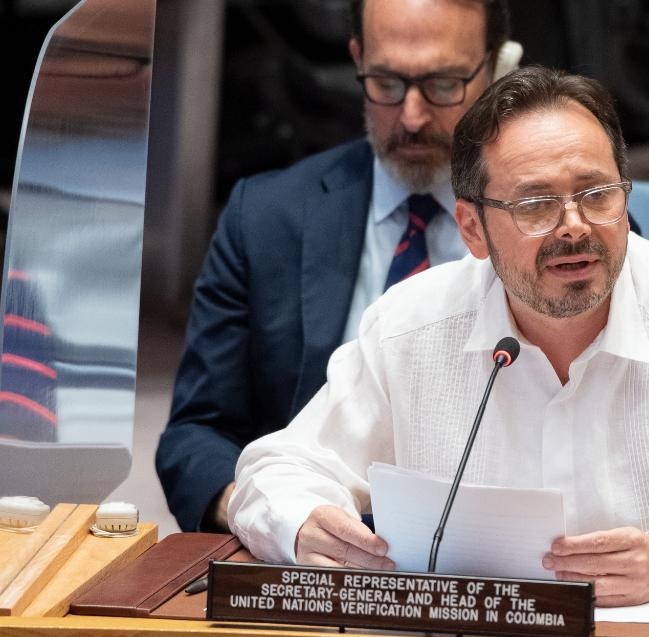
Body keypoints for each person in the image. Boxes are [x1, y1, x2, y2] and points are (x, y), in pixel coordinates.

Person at [229, 66, 649, 607]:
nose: (574, 227)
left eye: (597, 194)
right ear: (472, 229)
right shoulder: (409, 327)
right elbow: (277, 469)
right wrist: (304, 525)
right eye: (535, 205)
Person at [156, 0, 512, 533]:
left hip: (498, 544)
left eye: (443, 84)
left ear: (496, 67)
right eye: (386, 83)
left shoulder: (566, 225)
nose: (412, 117)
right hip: (310, 549)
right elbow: (195, 435)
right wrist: (269, 517)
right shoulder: (266, 218)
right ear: (357, 58)